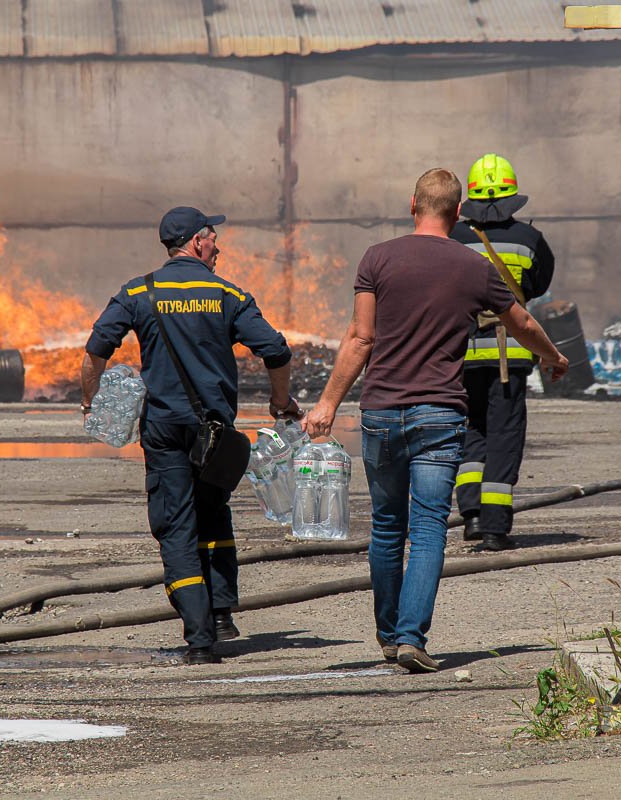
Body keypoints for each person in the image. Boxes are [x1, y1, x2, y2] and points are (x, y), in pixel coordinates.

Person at [302, 169, 567, 673]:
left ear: (412, 204)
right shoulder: (474, 268)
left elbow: (361, 337)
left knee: (386, 526)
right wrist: (553, 357)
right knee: (428, 529)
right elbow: (522, 322)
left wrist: (327, 405)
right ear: (457, 211)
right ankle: (411, 639)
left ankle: (387, 635)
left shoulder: (377, 258)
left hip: (381, 412)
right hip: (440, 414)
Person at [81, 206, 300, 666]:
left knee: (176, 525)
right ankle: (220, 615)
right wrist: (280, 402)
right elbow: (276, 350)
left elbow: (96, 349)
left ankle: (200, 639)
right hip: (214, 434)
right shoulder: (227, 294)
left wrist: (90, 402)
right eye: (213, 238)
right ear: (197, 242)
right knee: (213, 513)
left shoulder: (138, 292)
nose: (218, 247)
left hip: (163, 430)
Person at [452, 154, 556, 552]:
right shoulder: (529, 239)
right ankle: (495, 527)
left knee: (471, 431)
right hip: (509, 355)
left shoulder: (454, 238)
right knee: (504, 436)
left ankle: (472, 515)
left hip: (462, 354)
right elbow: (538, 285)